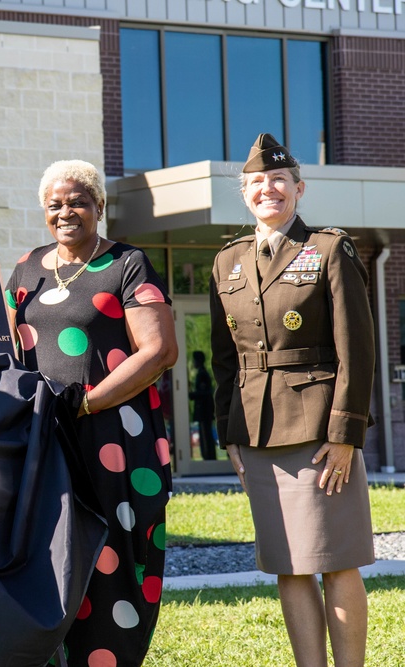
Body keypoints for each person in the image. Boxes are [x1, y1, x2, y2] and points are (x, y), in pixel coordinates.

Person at [210, 133, 375, 667]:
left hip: (319, 432)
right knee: (289, 563)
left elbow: (358, 348)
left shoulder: (328, 249)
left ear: (298, 189)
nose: (268, 189)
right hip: (256, 432)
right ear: (245, 195)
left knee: (337, 560)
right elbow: (223, 360)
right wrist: (227, 433)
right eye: (257, 183)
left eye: (278, 180)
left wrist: (345, 433)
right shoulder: (227, 261)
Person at [5, 159, 177, 666]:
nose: (66, 212)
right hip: (45, 439)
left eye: (78, 201)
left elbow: (159, 351)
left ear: (99, 206)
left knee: (115, 558)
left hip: (116, 439)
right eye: (55, 204)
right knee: (52, 558)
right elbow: (7, 352)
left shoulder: (128, 263)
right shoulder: (26, 268)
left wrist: (88, 400)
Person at [189, 350, 218, 460]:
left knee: (206, 436)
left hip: (204, 411)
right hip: (205, 411)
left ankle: (208, 457)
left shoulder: (202, 374)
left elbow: (205, 393)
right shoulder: (202, 373)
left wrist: (192, 395)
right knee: (205, 435)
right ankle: (208, 456)